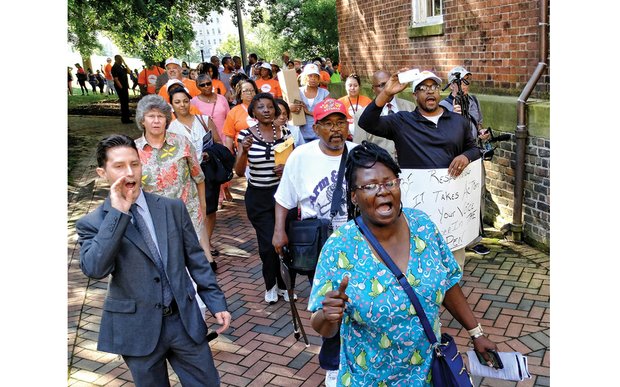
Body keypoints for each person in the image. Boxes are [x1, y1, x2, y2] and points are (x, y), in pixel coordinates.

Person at [307, 141, 498, 386]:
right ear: (354, 196)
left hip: (427, 374)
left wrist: (476, 333)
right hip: (368, 379)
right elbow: (322, 327)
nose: (383, 191)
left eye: (389, 182)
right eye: (370, 186)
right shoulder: (339, 248)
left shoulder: (423, 226)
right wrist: (328, 315)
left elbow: (448, 282)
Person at [76, 134, 231, 387]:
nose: (129, 173)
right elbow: (95, 268)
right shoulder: (92, 223)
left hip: (184, 322)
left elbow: (195, 259)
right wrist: (118, 214)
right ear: (102, 173)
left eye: (134, 164)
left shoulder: (171, 208)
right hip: (138, 329)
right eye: (119, 166)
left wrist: (216, 301)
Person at [358, 70, 480, 269]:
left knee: (453, 265)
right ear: (414, 95)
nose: (429, 92)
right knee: (419, 263)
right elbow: (367, 122)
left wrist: (466, 156)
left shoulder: (459, 122)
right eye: (422, 88)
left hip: (451, 208)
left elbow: (474, 148)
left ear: (439, 91)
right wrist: (386, 93)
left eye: (433, 87)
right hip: (418, 206)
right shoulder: (401, 121)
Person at [273, 98, 355, 387]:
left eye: (341, 122)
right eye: (329, 124)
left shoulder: (360, 154)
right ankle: (333, 365)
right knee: (329, 306)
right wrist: (279, 231)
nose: (336, 130)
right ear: (316, 127)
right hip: (320, 248)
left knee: (359, 303)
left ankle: (359, 357)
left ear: (348, 125)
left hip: (360, 246)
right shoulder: (301, 156)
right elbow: (283, 199)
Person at [134, 94, 216, 270]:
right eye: (151, 116)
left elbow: (198, 176)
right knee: (167, 266)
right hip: (154, 219)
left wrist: (202, 206)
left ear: (166, 120)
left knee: (193, 266)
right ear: (142, 121)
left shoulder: (182, 143)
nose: (156, 121)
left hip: (187, 215)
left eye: (160, 116)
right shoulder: (134, 150)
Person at [234, 93, 294, 304]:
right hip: (258, 197)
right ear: (253, 112)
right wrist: (243, 151)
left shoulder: (286, 132)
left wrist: (286, 169)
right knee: (268, 245)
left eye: (270, 107)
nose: (267, 110)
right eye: (261, 107)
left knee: (286, 242)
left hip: (282, 197)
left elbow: (293, 164)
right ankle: (270, 284)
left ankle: (286, 285)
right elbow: (239, 172)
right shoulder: (245, 135)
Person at [168, 86, 224, 262]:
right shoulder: (171, 128)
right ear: (172, 105)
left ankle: (206, 241)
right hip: (186, 175)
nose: (182, 105)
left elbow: (218, 142)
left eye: (185, 101)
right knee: (193, 209)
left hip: (207, 170)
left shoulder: (203, 120)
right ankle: (201, 248)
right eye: (177, 102)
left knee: (210, 209)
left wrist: (210, 153)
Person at [439, 65, 491, 256]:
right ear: (453, 84)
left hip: (475, 154)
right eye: (463, 80)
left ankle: (475, 237)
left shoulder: (474, 101)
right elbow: (443, 134)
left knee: (479, 191)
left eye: (468, 80)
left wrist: (482, 133)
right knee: (459, 195)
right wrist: (454, 116)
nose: (467, 84)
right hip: (456, 157)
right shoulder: (444, 106)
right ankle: (459, 235)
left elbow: (478, 125)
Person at [191, 72, 234, 210]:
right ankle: (219, 196)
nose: (206, 87)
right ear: (198, 87)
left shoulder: (221, 99)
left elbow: (229, 117)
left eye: (208, 83)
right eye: (202, 85)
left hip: (223, 135)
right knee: (213, 165)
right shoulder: (194, 102)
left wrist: (230, 138)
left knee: (225, 162)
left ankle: (225, 188)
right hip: (208, 139)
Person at [352, 70, 416, 162]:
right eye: (382, 85)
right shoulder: (361, 115)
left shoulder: (410, 106)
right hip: (380, 169)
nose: (387, 88)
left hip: (409, 166)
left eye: (389, 83)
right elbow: (359, 149)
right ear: (373, 89)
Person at [289, 63, 330, 142]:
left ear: (319, 78)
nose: (313, 79)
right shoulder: (297, 92)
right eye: (310, 76)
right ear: (304, 77)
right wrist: (290, 107)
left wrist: (308, 112)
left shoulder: (324, 93)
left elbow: (327, 113)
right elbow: (286, 108)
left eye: (315, 76)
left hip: (320, 133)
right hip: (301, 133)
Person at [222, 79, 259, 153]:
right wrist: (229, 156)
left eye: (252, 90)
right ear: (240, 95)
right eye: (246, 91)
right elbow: (229, 137)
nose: (249, 93)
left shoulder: (263, 108)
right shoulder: (233, 112)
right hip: (243, 157)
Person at [111, 55, 132, 124]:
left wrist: (125, 64)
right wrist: (121, 87)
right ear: (116, 59)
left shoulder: (122, 66)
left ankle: (127, 116)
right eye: (119, 59)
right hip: (120, 87)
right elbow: (116, 79)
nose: (120, 60)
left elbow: (129, 72)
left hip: (125, 86)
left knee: (126, 102)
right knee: (123, 102)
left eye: (121, 59)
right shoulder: (114, 67)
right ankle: (125, 118)